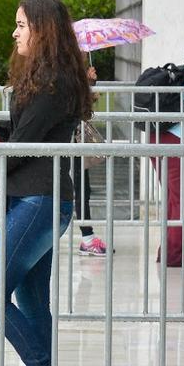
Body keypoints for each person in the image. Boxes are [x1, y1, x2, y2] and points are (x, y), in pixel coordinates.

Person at [0, 0, 94, 366]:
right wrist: (0, 127)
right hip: (38, 197)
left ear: (42, 29)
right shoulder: (46, 77)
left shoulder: (54, 81)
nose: (15, 32)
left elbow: (27, 143)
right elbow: (31, 130)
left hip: (39, 199)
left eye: (21, 24)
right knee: (29, 296)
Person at [149, 37, 184, 267]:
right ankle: (176, 257)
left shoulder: (182, 71)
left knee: (174, 199)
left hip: (159, 138)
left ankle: (168, 251)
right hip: (180, 144)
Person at [73, 65, 108, 257]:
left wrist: (89, 84)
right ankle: (87, 238)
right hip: (65, 142)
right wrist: (86, 87)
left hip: (69, 142)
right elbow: (72, 104)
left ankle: (87, 237)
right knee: (79, 189)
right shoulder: (61, 67)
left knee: (82, 189)